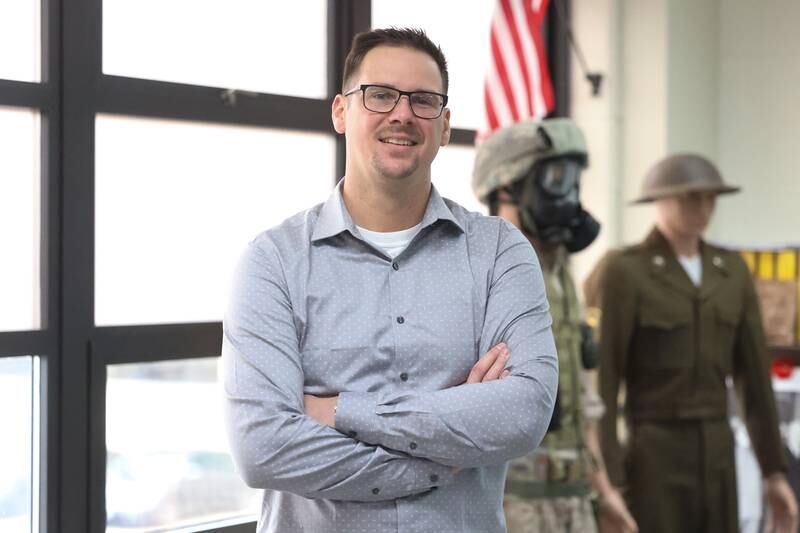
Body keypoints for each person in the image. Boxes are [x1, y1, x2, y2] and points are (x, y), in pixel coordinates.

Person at [221, 27, 559, 533]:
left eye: (423, 101)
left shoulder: (500, 252)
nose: (402, 114)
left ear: (444, 127)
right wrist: (442, 456)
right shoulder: (273, 262)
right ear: (341, 111)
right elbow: (262, 447)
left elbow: (523, 414)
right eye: (379, 95)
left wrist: (339, 411)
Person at [587, 153, 799, 533]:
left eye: (710, 198)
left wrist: (773, 471)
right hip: (654, 452)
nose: (703, 208)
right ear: (659, 200)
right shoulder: (627, 270)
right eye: (690, 197)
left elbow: (754, 380)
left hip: (717, 450)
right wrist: (610, 480)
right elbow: (605, 379)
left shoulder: (730, 270)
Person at [473, 117, 637, 533]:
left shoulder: (561, 271)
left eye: (571, 180)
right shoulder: (478, 271)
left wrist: (602, 488)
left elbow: (583, 396)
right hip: (511, 501)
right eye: (553, 180)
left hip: (572, 497)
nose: (566, 196)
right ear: (506, 185)